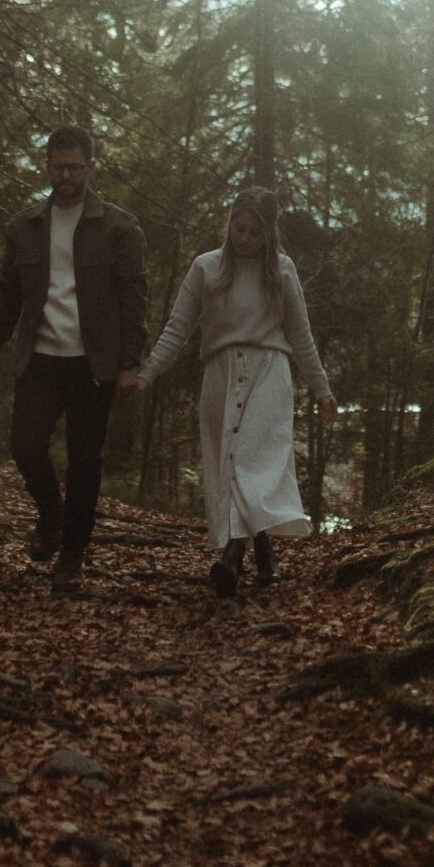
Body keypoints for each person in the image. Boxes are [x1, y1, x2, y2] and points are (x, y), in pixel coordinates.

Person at [128, 186, 336, 598]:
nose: (244, 238)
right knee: (229, 465)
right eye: (238, 228)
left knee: (250, 463)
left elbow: (301, 335)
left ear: (268, 234)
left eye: (254, 233)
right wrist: (147, 375)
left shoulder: (282, 270)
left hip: (268, 374)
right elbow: (178, 327)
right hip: (220, 375)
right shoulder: (206, 268)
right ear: (230, 223)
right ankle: (263, 552)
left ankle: (231, 558)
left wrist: (322, 389)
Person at [0, 127, 148, 593]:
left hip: (94, 365)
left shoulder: (119, 227)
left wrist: (131, 363)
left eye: (74, 167)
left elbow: (134, 300)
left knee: (85, 463)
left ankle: (71, 557)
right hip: (42, 358)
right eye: (57, 166)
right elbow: (5, 297)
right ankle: (50, 513)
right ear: (46, 167)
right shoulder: (25, 226)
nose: (66, 175)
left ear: (91, 168)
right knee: (25, 445)